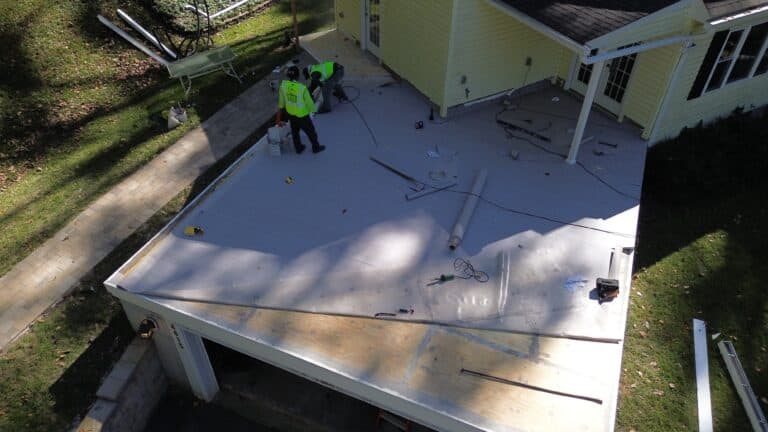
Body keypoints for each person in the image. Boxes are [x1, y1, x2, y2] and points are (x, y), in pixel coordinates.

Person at [276, 66, 325, 154]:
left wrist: (279, 118)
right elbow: (309, 103)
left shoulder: (283, 86)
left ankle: (298, 148)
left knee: (295, 132)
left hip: (290, 114)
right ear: (298, 76)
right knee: (311, 132)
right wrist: (313, 111)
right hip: (302, 115)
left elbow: (281, 103)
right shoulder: (302, 88)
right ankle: (316, 148)